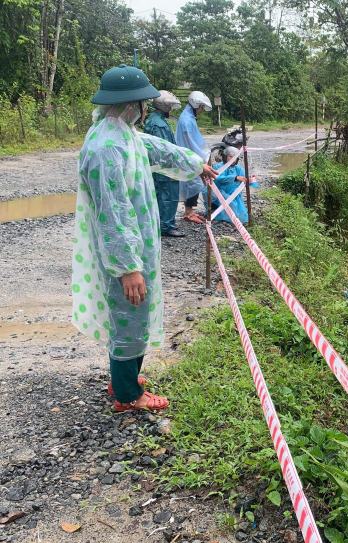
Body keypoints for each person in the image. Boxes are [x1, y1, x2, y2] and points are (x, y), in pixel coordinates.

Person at [72, 65, 217, 412]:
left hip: (138, 245)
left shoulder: (121, 134)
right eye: (143, 103)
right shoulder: (106, 148)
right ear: (130, 104)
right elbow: (113, 212)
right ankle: (127, 397)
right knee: (129, 312)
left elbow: (158, 150)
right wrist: (127, 268)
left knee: (133, 313)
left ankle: (125, 379)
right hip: (125, 252)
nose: (145, 109)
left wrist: (197, 164)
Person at [144, 90, 184, 237]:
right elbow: (162, 148)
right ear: (165, 106)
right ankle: (166, 225)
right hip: (163, 167)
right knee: (168, 195)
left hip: (157, 166)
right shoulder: (158, 124)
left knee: (161, 195)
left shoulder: (154, 119)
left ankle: (161, 223)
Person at [175, 91, 212, 224]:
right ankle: (189, 213)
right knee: (193, 183)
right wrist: (204, 156)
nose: (202, 110)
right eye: (201, 107)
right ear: (196, 105)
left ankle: (189, 211)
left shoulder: (188, 117)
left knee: (191, 183)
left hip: (188, 155)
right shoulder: (187, 121)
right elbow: (193, 142)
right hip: (190, 156)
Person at [210, 146, 255, 224]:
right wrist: (235, 178)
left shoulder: (238, 168)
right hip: (218, 192)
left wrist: (251, 180)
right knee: (231, 204)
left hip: (234, 194)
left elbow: (245, 178)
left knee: (240, 212)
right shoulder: (217, 166)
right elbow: (218, 178)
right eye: (230, 156)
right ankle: (220, 214)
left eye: (235, 157)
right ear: (225, 157)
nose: (232, 159)